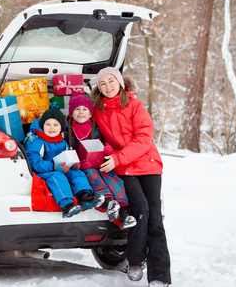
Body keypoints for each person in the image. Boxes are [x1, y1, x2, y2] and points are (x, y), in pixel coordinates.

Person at [91, 67, 171, 287]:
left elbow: (144, 138)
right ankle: (135, 261)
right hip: (124, 168)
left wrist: (117, 158)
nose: (107, 87)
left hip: (147, 164)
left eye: (111, 81)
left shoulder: (135, 105)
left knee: (154, 218)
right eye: (103, 84)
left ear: (120, 82)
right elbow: (87, 128)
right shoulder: (98, 110)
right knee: (140, 210)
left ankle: (160, 275)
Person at [64, 93, 137, 229]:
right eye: (77, 109)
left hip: (99, 163)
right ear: (71, 113)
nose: (81, 112)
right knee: (92, 174)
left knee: (112, 177)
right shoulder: (67, 132)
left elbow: (103, 146)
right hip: (82, 167)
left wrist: (108, 150)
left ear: (90, 114)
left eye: (85, 109)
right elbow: (65, 153)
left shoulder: (96, 130)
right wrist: (78, 164)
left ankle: (123, 211)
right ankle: (108, 203)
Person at [25, 106, 104, 218]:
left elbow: (68, 155)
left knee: (78, 173)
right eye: (48, 124)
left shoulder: (62, 142)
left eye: (56, 125)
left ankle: (85, 197)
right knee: (58, 177)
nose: (51, 127)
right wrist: (53, 167)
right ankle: (67, 205)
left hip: (62, 168)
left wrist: (74, 163)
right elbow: (34, 163)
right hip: (45, 171)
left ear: (61, 128)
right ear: (43, 126)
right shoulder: (37, 143)